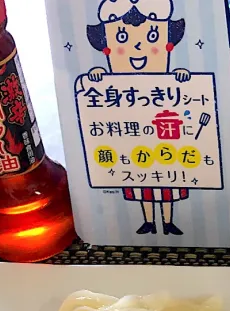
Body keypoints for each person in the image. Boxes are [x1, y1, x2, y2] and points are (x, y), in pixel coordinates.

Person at [83, 0, 191, 236]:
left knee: (168, 184)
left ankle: (168, 221)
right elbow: (91, 91)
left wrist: (182, 76)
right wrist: (96, 76)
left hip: (168, 138)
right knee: (142, 183)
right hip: (133, 140)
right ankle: (149, 221)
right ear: (106, 46)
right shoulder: (108, 82)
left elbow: (187, 89)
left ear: (167, 44)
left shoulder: (171, 80)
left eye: (153, 36)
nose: (139, 46)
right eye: (122, 38)